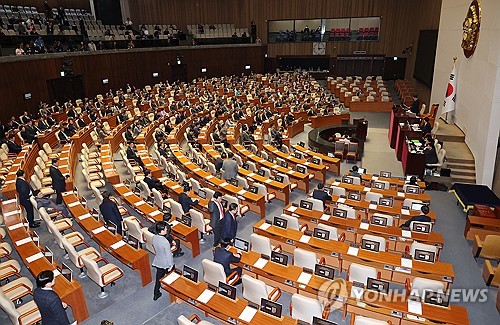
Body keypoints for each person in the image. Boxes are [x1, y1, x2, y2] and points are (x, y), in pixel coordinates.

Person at [152, 221, 175, 301]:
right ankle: (174, 293)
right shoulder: (165, 242)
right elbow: (168, 255)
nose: (166, 230)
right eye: (165, 229)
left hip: (158, 260)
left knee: (158, 278)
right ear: (161, 231)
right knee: (173, 277)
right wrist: (171, 265)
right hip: (166, 263)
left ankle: (156, 293)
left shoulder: (154, 237)